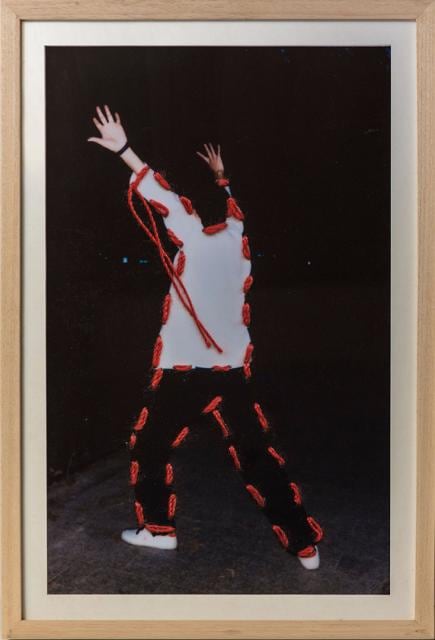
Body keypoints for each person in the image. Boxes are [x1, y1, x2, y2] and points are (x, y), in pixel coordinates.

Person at [88, 104, 324, 570]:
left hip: (186, 373)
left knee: (149, 446)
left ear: (194, 211)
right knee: (257, 455)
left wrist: (124, 150)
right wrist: (222, 177)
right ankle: (304, 544)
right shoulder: (239, 242)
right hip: (232, 371)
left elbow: (162, 196)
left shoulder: (194, 238)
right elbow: (231, 207)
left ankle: (159, 530)